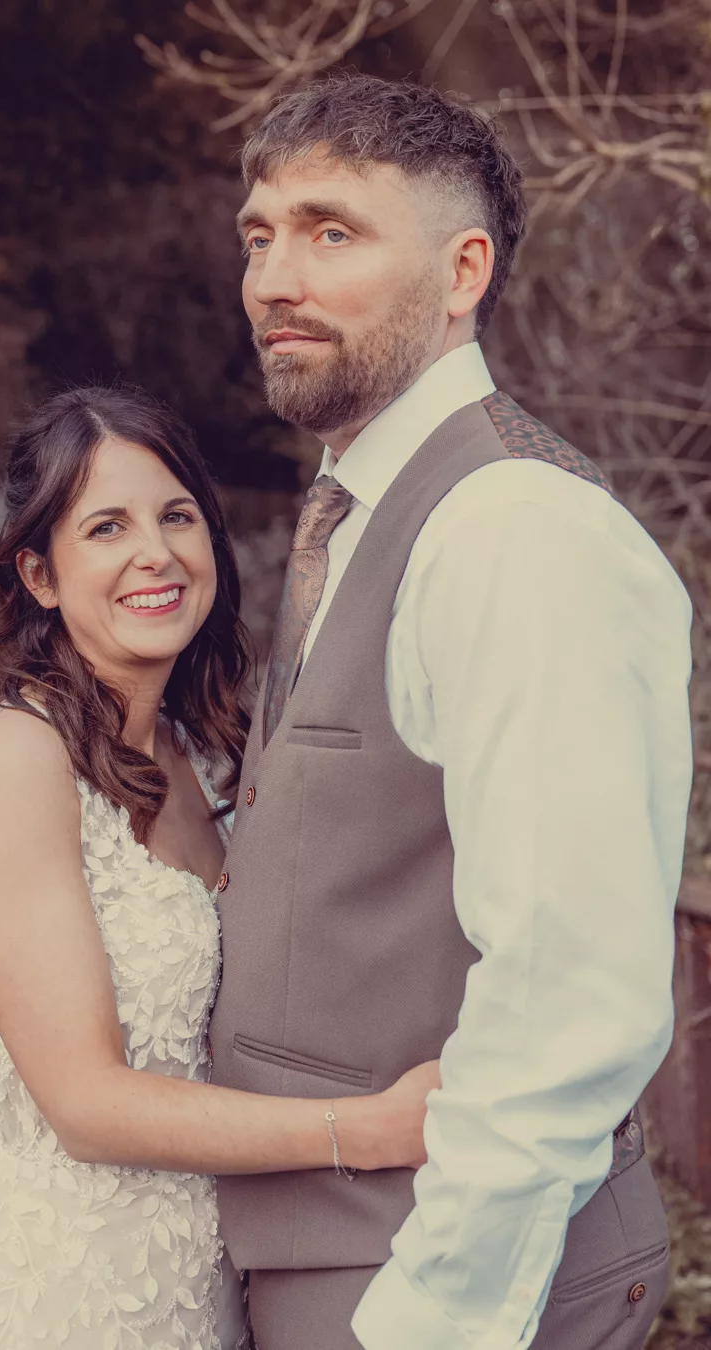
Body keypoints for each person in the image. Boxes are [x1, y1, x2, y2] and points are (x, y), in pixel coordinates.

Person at [207, 72, 693, 1350]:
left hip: (437, 1281)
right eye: (260, 235)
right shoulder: (365, 516)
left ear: (463, 269)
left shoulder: (514, 531)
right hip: (334, 1256)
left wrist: (427, 1322)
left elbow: (569, 992)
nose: (273, 278)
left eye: (332, 231)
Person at [0, 384, 440, 1350]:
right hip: (60, 1303)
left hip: (206, 1296)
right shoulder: (16, 760)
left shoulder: (208, 754)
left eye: (177, 516)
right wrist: (368, 1130)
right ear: (40, 575)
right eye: (106, 526)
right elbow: (87, 1104)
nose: (156, 552)